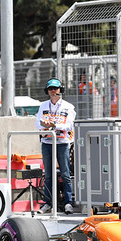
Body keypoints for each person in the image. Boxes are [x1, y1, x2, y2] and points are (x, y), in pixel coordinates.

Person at [36, 77, 76, 214]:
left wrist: (55, 125)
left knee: (65, 174)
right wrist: (45, 125)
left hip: (63, 143)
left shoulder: (68, 106)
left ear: (60, 90)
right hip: (47, 142)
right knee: (48, 175)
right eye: (50, 89)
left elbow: (70, 124)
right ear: (47, 91)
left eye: (56, 88)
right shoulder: (43, 106)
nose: (53, 91)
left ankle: (68, 203)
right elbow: (37, 123)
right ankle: (47, 203)